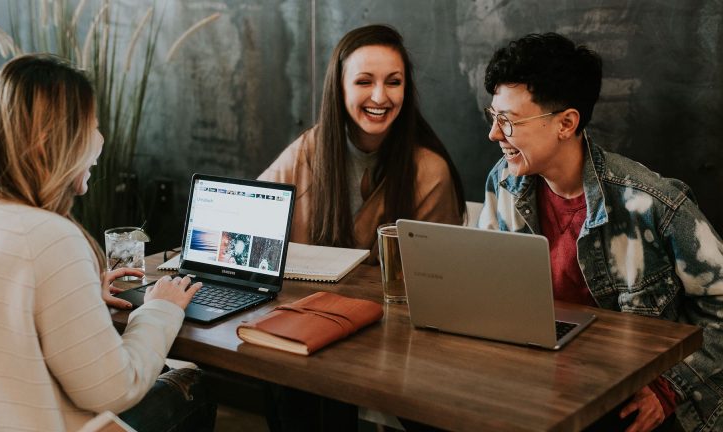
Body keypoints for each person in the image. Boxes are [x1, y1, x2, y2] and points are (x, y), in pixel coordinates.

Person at [0, 54, 216, 431]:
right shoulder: (50, 237)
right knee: (194, 384)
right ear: (52, 141)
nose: (101, 139)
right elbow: (113, 390)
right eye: (92, 126)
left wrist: (82, 299)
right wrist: (159, 310)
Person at [479, 32, 723, 432]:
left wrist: (668, 389)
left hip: (629, 397)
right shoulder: (503, 182)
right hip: (541, 383)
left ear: (566, 123)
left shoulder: (653, 204)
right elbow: (487, 287)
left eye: (508, 121)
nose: (494, 134)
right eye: (493, 116)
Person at [259, 24, 465, 255]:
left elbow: (435, 272)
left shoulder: (430, 172)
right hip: (306, 292)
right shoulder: (308, 150)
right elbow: (250, 216)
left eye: (393, 82)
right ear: (339, 88)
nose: (379, 97)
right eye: (364, 82)